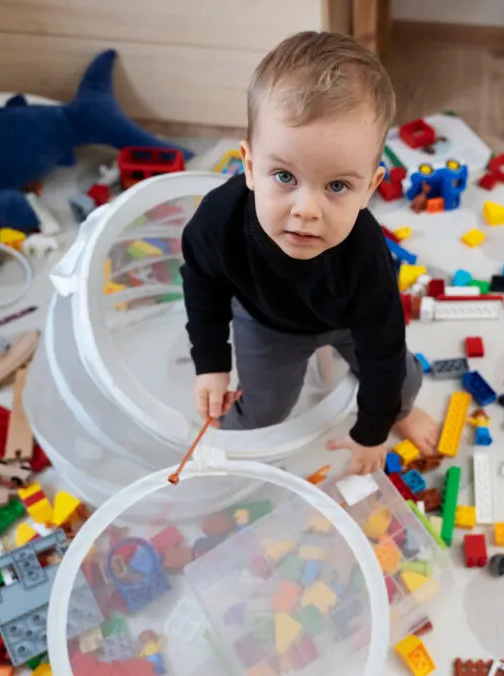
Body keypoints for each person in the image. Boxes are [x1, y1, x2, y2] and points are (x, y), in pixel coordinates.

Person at [180, 31, 437, 475]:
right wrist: (212, 364)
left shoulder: (367, 255)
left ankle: (401, 413)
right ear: (249, 165)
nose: (306, 210)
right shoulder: (220, 220)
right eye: (283, 176)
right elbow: (202, 283)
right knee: (262, 412)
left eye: (337, 186)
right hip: (266, 322)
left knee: (402, 378)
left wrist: (373, 430)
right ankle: (230, 452)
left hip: (346, 324)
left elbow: (383, 347)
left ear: (370, 189)